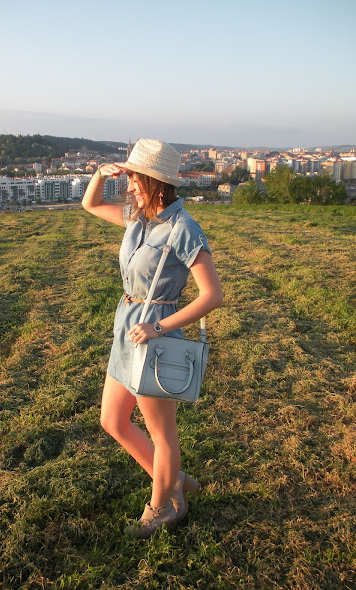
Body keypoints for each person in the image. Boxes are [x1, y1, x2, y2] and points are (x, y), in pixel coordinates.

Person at [82, 139, 223, 538]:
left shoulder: (183, 228)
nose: (129, 186)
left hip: (155, 335)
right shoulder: (139, 219)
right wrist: (100, 174)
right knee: (113, 420)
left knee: (163, 434)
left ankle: (165, 507)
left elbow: (213, 295)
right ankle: (173, 479)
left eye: (135, 179)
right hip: (127, 328)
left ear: (158, 184)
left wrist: (158, 328)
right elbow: (91, 205)